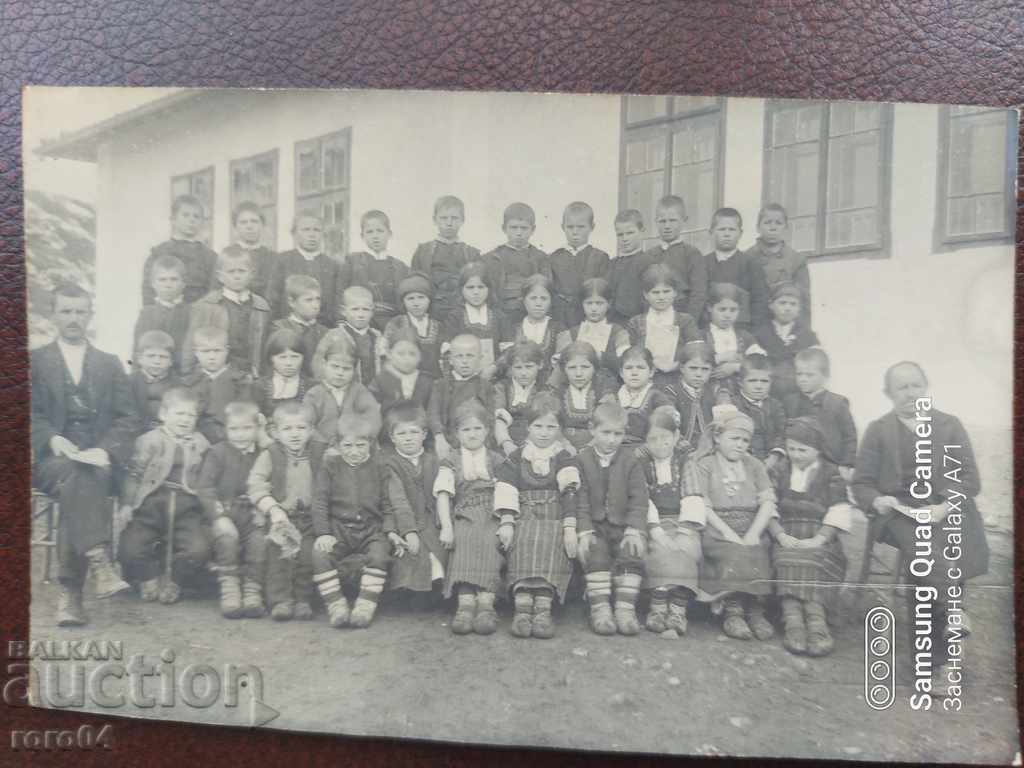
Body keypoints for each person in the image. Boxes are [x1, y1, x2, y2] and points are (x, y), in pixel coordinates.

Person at [851, 361, 988, 695]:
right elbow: (862, 483)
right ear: (889, 394)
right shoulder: (878, 429)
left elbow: (970, 478)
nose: (911, 394)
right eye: (902, 388)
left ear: (926, 387)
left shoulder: (949, 426)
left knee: (933, 554)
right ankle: (952, 616)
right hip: (899, 513)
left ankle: (930, 666)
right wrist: (876, 500)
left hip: (942, 508)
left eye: (916, 385)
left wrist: (943, 506)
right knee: (923, 546)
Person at [32, 283, 138, 626]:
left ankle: (71, 594)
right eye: (66, 311)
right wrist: (51, 438)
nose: (73, 318)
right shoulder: (33, 362)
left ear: (90, 315)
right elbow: (21, 412)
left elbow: (128, 417)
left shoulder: (108, 364)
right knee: (76, 477)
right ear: (53, 314)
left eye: (80, 311)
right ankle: (99, 564)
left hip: (99, 459)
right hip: (53, 460)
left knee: (82, 478)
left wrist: (105, 449)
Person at [683, 407, 778, 641]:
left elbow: (767, 503)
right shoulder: (705, 464)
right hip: (718, 527)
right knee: (732, 552)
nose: (740, 444)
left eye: (745, 440)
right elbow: (704, 506)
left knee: (759, 550)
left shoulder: (755, 465)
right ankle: (733, 610)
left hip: (750, 524)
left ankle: (755, 610)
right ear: (717, 437)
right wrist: (728, 533)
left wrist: (754, 533)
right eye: (734, 438)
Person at [117, 388, 211, 605]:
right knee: (129, 548)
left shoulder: (201, 442)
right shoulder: (149, 440)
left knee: (199, 549)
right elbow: (134, 475)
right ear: (163, 414)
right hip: (152, 501)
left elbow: (207, 477)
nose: (185, 420)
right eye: (179, 414)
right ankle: (149, 577)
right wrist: (127, 505)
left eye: (190, 415)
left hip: (187, 505)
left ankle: (175, 580)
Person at [497, 393, 579, 639]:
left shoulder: (564, 457)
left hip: (554, 515)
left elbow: (570, 493)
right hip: (524, 513)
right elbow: (507, 490)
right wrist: (507, 522)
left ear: (560, 429)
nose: (544, 433)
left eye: (551, 427)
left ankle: (543, 607)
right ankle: (522, 607)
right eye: (538, 426)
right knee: (522, 537)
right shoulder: (516, 457)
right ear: (527, 427)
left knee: (551, 539)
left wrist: (569, 527)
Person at [767, 417, 851, 656]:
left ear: (817, 449)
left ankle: (816, 621)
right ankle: (793, 621)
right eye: (791, 449)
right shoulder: (779, 470)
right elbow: (768, 506)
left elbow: (838, 510)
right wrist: (779, 534)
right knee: (784, 558)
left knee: (814, 558)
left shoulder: (830, 473)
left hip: (819, 533)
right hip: (786, 531)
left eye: (802, 450)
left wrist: (820, 538)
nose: (796, 454)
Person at [434, 400, 512, 635]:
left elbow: (507, 491)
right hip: (465, 512)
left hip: (493, 512)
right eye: (466, 430)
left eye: (477, 428)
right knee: (464, 538)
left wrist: (507, 521)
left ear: (487, 431)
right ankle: (466, 602)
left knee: (490, 539)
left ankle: (486, 602)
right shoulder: (451, 460)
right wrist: (446, 526)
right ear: (456, 434)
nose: (472, 434)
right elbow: (443, 494)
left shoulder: (496, 459)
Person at [571, 402, 648, 636]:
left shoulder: (630, 461)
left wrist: (635, 529)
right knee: (595, 552)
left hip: (623, 526)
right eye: (606, 433)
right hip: (595, 526)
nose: (612, 439)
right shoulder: (582, 459)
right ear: (592, 429)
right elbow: (580, 500)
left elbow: (639, 499)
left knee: (632, 553)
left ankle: (625, 609)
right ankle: (601, 608)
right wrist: (584, 532)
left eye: (618, 434)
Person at [311, 414, 392, 629]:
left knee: (379, 554)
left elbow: (387, 504)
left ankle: (365, 605)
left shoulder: (379, 466)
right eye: (347, 445)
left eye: (360, 445)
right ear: (337, 444)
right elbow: (319, 502)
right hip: (339, 527)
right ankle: (336, 605)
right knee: (320, 554)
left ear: (371, 444)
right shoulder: (330, 466)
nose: (354, 451)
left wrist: (390, 531)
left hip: (371, 527)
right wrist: (323, 533)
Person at [247, 401, 326, 621]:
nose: (294, 434)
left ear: (311, 431)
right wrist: (273, 509)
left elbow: (332, 480)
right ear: (276, 432)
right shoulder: (270, 455)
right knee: (280, 556)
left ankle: (302, 599)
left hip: (310, 517)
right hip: (282, 518)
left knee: (307, 556)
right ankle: (280, 600)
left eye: (301, 428)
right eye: (287, 429)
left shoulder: (320, 453)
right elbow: (256, 484)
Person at [196, 400, 266, 618]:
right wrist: (219, 517)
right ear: (225, 430)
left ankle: (253, 590)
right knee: (226, 540)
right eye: (233, 429)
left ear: (257, 429)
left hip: (253, 513)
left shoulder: (264, 453)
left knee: (259, 542)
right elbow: (205, 488)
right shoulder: (217, 453)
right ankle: (230, 589)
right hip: (225, 511)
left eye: (247, 428)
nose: (240, 435)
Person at [641, 405, 702, 636]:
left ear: (676, 437)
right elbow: (644, 499)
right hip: (655, 523)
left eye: (665, 438)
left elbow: (692, 495)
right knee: (658, 550)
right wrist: (656, 530)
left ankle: (678, 610)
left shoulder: (685, 462)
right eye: (653, 439)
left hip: (683, 522)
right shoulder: (643, 465)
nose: (660, 444)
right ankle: (657, 608)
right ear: (646, 441)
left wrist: (685, 529)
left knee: (686, 550)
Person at [379, 402, 446, 599]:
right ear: (392, 438)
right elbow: (397, 501)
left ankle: (439, 590)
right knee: (412, 553)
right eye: (401, 434)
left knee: (439, 550)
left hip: (433, 520)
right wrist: (409, 531)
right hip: (404, 521)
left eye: (413, 432)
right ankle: (415, 595)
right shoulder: (389, 464)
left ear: (424, 434)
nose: (408, 439)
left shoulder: (434, 461)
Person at [183, 250, 271, 377]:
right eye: (231, 272)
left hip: (251, 375)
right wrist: (188, 375)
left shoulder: (261, 306)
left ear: (251, 274)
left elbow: (265, 347)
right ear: (220, 276)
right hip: (217, 375)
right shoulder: (207, 306)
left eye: (241, 271)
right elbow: (191, 345)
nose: (236, 276)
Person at [784, 347, 858, 481]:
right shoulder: (791, 402)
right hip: (799, 463)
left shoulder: (837, 403)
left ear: (825, 376)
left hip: (830, 464)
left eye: (809, 375)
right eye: (799, 374)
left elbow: (850, 437)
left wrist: (846, 464)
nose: (803, 379)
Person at [625, 263, 700, 391]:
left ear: (675, 292)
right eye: (655, 292)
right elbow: (628, 355)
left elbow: (695, 353)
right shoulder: (636, 322)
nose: (661, 297)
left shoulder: (685, 321)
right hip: (645, 381)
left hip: (677, 380)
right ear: (645, 295)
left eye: (666, 291)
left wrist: (677, 365)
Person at [303, 330, 381, 448]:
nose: (340, 373)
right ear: (324, 364)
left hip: (355, 448)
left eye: (346, 369)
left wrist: (356, 441)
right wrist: (324, 444)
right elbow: (307, 425)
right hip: (323, 450)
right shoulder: (314, 394)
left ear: (354, 370)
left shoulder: (359, 391)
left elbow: (373, 419)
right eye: (335, 367)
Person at [180, 325, 257, 445]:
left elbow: (246, 414)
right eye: (205, 351)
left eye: (217, 351)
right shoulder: (188, 383)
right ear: (196, 352)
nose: (212, 357)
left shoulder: (240, 381)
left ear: (226, 350)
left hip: (231, 439)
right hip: (196, 439)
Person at [410, 195, 482, 321]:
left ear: (462, 220)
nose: (449, 223)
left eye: (454, 218)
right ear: (434, 220)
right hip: (431, 312)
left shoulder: (471, 253)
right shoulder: (423, 251)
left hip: (463, 312)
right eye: (443, 218)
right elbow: (415, 286)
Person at [267, 212, 343, 327]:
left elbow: (337, 301)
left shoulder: (332, 265)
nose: (312, 235)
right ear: (294, 233)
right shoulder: (282, 261)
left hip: (323, 328)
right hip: (288, 327)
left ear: (323, 234)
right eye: (306, 230)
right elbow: (272, 298)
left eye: (316, 230)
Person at [426, 334, 496, 459]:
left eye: (470, 356)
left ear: (480, 358)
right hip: (448, 442)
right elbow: (433, 414)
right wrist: (439, 437)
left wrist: (482, 442)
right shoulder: (441, 385)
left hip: (477, 441)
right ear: (451, 359)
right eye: (459, 356)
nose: (464, 361)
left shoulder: (485, 386)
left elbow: (490, 419)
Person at [141, 194, 217, 305]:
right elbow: (148, 292)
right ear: (173, 219)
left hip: (199, 316)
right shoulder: (158, 253)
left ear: (202, 222)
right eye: (185, 215)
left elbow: (214, 292)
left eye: (196, 216)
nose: (191, 220)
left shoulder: (210, 257)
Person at [482, 202, 550, 326]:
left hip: (532, 318)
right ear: (504, 228)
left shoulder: (541, 258)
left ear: (533, 229)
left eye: (524, 228)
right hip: (500, 317)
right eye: (513, 227)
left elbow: (547, 291)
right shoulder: (491, 258)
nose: (519, 233)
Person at [552, 277, 631, 385]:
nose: (594, 309)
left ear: (608, 304)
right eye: (589, 303)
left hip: (609, 386)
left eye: (599, 303)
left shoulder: (618, 333)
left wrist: (602, 357)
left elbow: (625, 363)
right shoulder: (570, 334)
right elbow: (559, 367)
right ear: (582, 304)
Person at [341, 210, 410, 331]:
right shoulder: (352, 262)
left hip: (392, 324)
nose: (375, 236)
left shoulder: (400, 267)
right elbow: (340, 293)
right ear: (362, 236)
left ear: (389, 234)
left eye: (380, 231)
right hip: (360, 323)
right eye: (370, 232)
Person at [442, 262, 512, 380]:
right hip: (463, 380)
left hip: (494, 379)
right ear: (461, 289)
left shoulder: (499, 316)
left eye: (481, 287)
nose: (476, 292)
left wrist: (493, 368)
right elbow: (448, 352)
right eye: (470, 287)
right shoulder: (455, 317)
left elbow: (509, 351)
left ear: (489, 289)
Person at [745, 203, 811, 325]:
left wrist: (804, 334)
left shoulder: (796, 260)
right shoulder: (747, 258)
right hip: (756, 325)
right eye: (767, 222)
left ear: (786, 228)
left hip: (787, 326)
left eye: (778, 223)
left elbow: (803, 301)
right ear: (758, 228)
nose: (773, 227)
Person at [703, 207, 769, 329]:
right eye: (722, 229)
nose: (727, 234)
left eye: (732, 229)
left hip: (742, 331)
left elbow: (760, 303)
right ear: (711, 232)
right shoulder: (702, 264)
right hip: (709, 331)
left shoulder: (751, 264)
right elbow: (699, 299)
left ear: (740, 233)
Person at [753, 282, 820, 400]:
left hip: (798, 393)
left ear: (799, 309)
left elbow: (815, 366)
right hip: (768, 393)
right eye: (782, 303)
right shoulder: (761, 333)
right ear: (771, 305)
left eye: (793, 304)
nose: (787, 308)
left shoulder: (807, 335)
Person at [548, 201, 610, 327]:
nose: (575, 232)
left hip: (589, 318)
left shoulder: (600, 258)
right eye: (570, 227)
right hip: (560, 319)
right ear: (562, 227)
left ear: (592, 227)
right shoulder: (553, 258)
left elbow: (604, 293)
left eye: (581, 227)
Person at [646, 195, 708, 321]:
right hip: (653, 319)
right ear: (656, 222)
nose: (667, 226)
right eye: (662, 221)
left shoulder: (692, 254)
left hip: (682, 316)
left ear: (684, 221)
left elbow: (698, 294)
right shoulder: (649, 255)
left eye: (672, 220)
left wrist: (688, 323)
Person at [701, 282, 762, 399]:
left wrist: (736, 367)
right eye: (722, 309)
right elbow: (695, 362)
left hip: (741, 394)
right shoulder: (702, 335)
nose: (727, 315)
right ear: (709, 308)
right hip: (709, 393)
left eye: (733, 310)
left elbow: (759, 363)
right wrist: (722, 357)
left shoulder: (745, 337)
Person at [500, 274, 563, 386]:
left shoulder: (559, 328)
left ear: (551, 301)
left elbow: (562, 363)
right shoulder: (513, 329)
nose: (538, 303)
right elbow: (507, 361)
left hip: (549, 386)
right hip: (518, 385)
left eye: (544, 298)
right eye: (533, 298)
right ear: (524, 300)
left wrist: (550, 387)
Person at [553, 341, 617, 451]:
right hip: (564, 447)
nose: (578, 373)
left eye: (585, 367)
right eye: (572, 367)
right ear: (564, 369)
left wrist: (590, 447)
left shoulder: (603, 391)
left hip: (596, 446)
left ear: (594, 368)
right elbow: (552, 424)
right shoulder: (558, 392)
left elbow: (608, 424)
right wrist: (565, 445)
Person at [133, 254, 191, 369]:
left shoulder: (192, 312)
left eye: (173, 279)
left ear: (183, 284)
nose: (168, 284)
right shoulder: (146, 314)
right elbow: (137, 351)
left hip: (182, 376)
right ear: (153, 284)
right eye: (162, 280)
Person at [731, 354, 787, 471]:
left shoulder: (775, 405)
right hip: (743, 460)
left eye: (764, 381)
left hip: (772, 460)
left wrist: (774, 456)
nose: (758, 386)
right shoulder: (733, 405)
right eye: (752, 381)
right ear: (740, 382)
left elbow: (781, 433)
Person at [383, 272, 443, 378]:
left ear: (429, 300)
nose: (416, 303)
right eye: (410, 298)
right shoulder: (396, 323)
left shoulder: (438, 326)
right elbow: (387, 354)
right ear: (403, 302)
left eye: (421, 297)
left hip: (433, 379)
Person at [270, 274, 328, 378]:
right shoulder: (279, 328)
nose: (315, 305)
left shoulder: (325, 332)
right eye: (308, 300)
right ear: (292, 302)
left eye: (318, 299)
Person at [494, 340, 547, 453]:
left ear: (540, 365)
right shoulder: (502, 387)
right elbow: (499, 420)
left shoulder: (544, 388)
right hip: (505, 439)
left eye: (529, 367)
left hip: (535, 441)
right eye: (518, 368)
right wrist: (506, 443)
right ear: (510, 367)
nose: (523, 373)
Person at [616, 346, 674, 445]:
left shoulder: (656, 397)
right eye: (628, 368)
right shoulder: (615, 396)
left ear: (651, 372)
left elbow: (666, 425)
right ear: (621, 372)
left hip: (647, 447)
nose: (634, 373)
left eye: (640, 368)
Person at [219, 201, 277, 300]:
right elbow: (216, 291)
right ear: (235, 227)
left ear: (262, 225)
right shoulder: (227, 254)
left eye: (254, 221)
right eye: (243, 222)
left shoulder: (273, 257)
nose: (249, 226)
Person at [664, 340, 716, 448]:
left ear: (712, 370)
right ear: (682, 368)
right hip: (681, 447)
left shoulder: (714, 391)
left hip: (711, 448)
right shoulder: (672, 391)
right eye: (693, 368)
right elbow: (669, 419)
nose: (699, 374)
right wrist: (678, 439)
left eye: (705, 369)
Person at [607, 209, 655, 325]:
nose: (624, 239)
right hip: (612, 323)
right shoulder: (612, 263)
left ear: (642, 231)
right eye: (620, 234)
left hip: (636, 323)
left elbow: (650, 299)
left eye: (630, 233)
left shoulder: (648, 262)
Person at [368, 334, 435, 415]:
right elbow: (371, 411)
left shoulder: (427, 381)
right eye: (400, 354)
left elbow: (434, 412)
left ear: (420, 356)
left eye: (412, 354)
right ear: (390, 354)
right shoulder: (380, 381)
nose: (407, 358)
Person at [128, 330, 180, 432]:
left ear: (171, 361)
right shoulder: (129, 382)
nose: (157, 361)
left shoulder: (178, 385)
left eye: (163, 357)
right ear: (139, 358)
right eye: (151, 356)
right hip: (134, 433)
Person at [255, 328, 311, 418]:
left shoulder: (312, 387)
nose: (289, 363)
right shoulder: (259, 387)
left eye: (295, 357)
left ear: (303, 358)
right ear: (271, 358)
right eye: (282, 357)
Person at [338, 285, 384, 385]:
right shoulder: (337, 335)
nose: (361, 315)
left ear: (372, 311)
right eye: (355, 309)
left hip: (374, 390)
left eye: (365, 309)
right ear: (343, 311)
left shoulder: (377, 337)